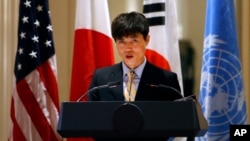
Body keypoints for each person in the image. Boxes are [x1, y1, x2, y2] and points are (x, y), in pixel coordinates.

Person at [88, 11, 183, 141]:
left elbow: (177, 121)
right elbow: (91, 121)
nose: (128, 48)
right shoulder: (101, 78)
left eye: (134, 41)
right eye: (122, 41)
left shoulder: (166, 80)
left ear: (147, 40)